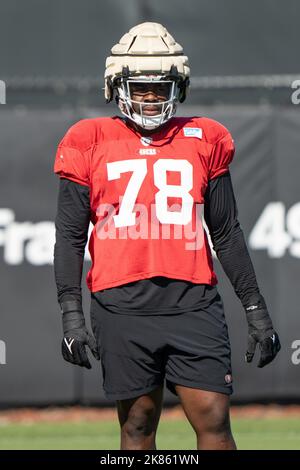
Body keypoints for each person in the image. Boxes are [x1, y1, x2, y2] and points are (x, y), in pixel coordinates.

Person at [53, 22, 281, 450]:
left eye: (162, 86)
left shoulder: (205, 137)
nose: (152, 96)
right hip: (120, 304)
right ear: (117, 86)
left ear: (180, 86)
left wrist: (256, 309)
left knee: (215, 421)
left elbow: (227, 231)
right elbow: (68, 237)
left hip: (193, 301)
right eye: (141, 87)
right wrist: (71, 314)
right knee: (138, 426)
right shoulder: (87, 139)